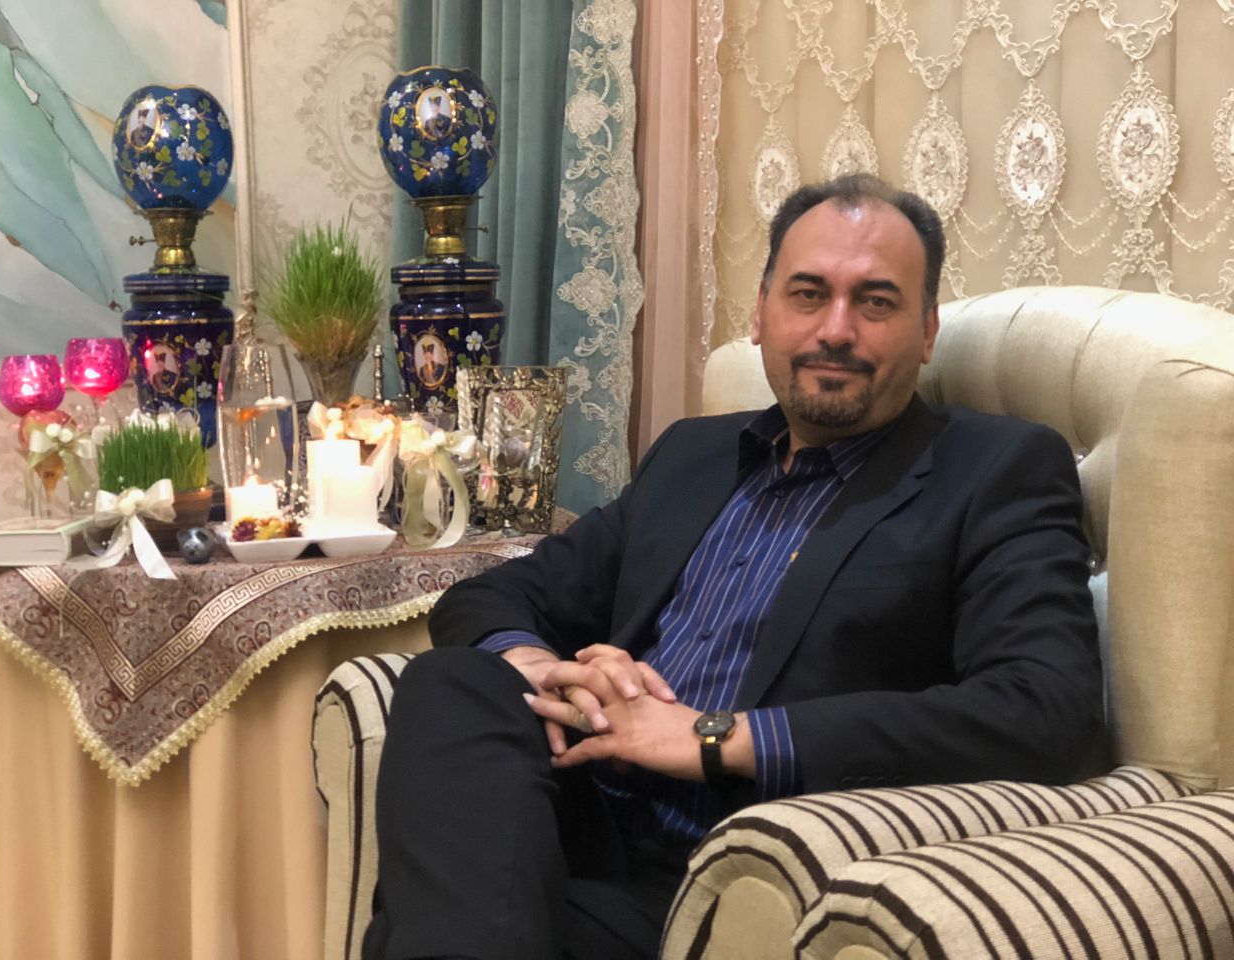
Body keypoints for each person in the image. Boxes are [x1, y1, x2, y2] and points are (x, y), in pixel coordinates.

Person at [363, 174, 1103, 960]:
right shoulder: (694, 456)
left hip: (728, 874)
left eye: (877, 302)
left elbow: (1044, 710)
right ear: (760, 313)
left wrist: (716, 737)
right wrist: (549, 672)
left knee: (425, 916)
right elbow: (496, 595)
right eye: (808, 294)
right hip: (574, 821)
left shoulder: (995, 470)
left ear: (926, 331)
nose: (836, 329)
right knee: (455, 683)